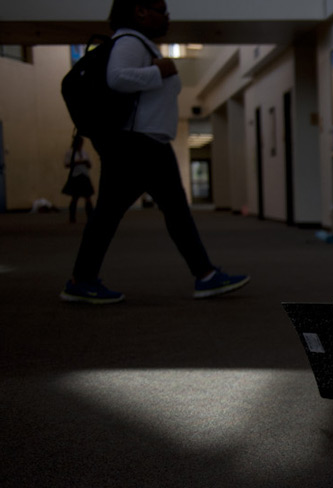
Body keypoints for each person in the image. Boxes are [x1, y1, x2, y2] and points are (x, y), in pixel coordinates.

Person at [60, 0, 248, 305]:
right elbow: (117, 78)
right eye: (162, 9)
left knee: (134, 213)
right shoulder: (130, 42)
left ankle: (204, 275)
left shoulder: (138, 43)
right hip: (139, 143)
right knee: (164, 212)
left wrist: (156, 70)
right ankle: (204, 275)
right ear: (140, 10)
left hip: (143, 143)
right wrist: (158, 71)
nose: (168, 17)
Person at [62, 133, 95, 223]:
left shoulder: (84, 152)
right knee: (75, 198)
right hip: (76, 176)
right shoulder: (70, 153)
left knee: (88, 198)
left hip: (84, 176)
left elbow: (89, 165)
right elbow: (67, 164)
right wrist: (79, 162)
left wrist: (86, 162)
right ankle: (72, 217)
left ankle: (90, 217)